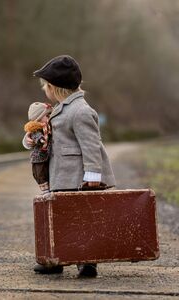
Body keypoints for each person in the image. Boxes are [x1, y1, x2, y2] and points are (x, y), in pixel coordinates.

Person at [23, 55, 116, 277]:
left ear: (54, 88)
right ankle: (56, 258)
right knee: (62, 218)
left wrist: (93, 173)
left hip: (79, 177)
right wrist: (30, 140)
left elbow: (92, 145)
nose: (45, 90)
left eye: (46, 86)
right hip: (61, 174)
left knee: (83, 219)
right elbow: (47, 136)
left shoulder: (80, 111)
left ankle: (87, 261)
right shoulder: (60, 108)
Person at [24, 102, 53, 193]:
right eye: (47, 115)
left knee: (45, 172)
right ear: (39, 118)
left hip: (46, 156)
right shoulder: (37, 129)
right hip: (38, 157)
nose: (49, 117)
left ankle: (47, 187)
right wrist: (40, 140)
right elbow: (36, 135)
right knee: (39, 172)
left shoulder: (48, 127)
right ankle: (45, 189)